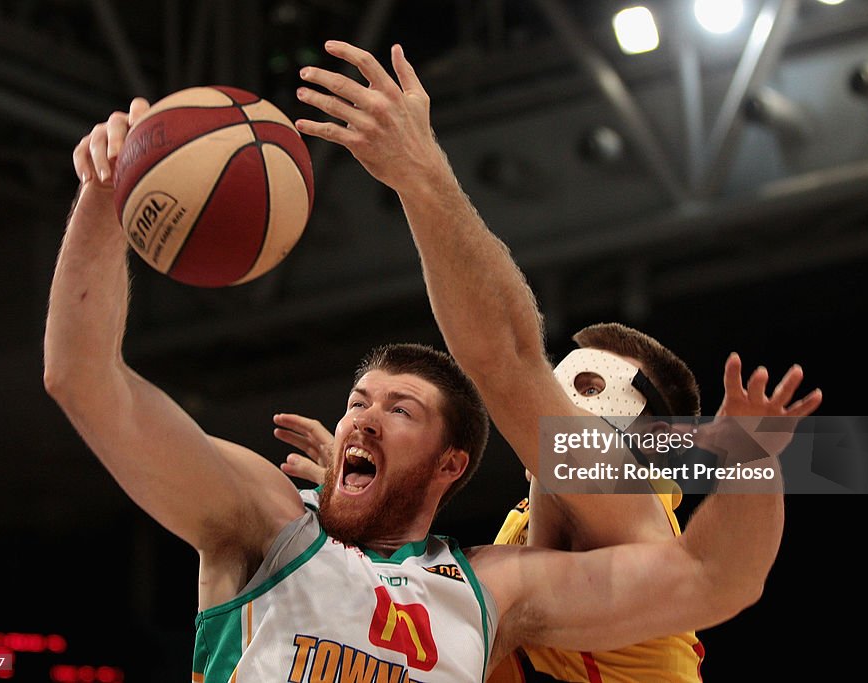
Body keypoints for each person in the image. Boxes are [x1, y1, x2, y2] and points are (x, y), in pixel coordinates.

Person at [45, 44, 797, 683]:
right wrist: (105, 200)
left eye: (398, 409)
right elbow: (82, 379)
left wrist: (752, 462)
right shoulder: (261, 519)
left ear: (450, 463)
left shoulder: (502, 581)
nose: (362, 418)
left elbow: (715, 575)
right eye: (356, 402)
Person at [291, 39, 822, 683]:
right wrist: (362, 507)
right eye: (567, 377)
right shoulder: (523, 531)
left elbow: (508, 358)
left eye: (590, 386)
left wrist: (420, 172)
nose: (562, 396)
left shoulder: (628, 505)